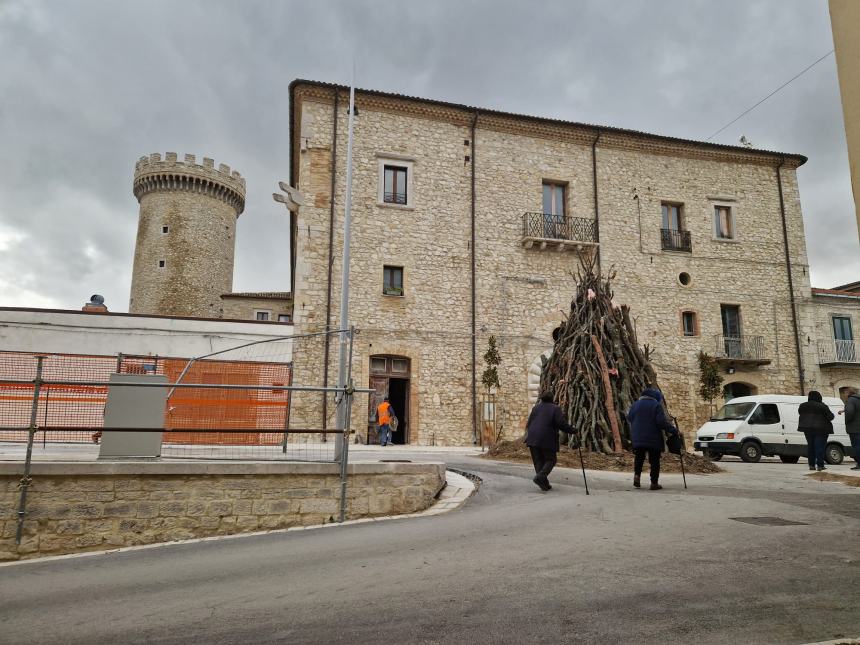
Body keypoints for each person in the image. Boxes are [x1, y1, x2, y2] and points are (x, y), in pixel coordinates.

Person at [627, 386, 678, 490]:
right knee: (654, 460)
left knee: (639, 457)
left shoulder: (635, 405)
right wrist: (673, 429)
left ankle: (637, 476)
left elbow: (630, 417)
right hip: (653, 437)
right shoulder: (656, 405)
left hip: (638, 436)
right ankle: (654, 483)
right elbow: (661, 422)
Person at [524, 391, 575, 491]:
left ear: (542, 398)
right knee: (551, 459)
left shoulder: (536, 408)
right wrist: (572, 430)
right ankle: (540, 477)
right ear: (552, 399)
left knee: (538, 461)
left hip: (532, 438)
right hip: (546, 438)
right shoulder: (555, 408)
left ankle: (544, 484)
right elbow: (561, 423)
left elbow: (529, 423)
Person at [798, 390, 834, 471]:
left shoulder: (802, 406)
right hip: (821, 429)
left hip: (807, 429)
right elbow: (831, 417)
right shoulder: (822, 406)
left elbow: (800, 413)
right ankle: (820, 465)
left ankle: (811, 465)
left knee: (811, 447)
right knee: (819, 447)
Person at [839, 387, 860, 470]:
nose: (844, 395)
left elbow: (850, 412)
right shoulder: (858, 399)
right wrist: (844, 410)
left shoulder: (851, 400)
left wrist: (847, 421)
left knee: (857, 446)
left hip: (855, 428)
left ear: (848, 393)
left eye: (844, 393)